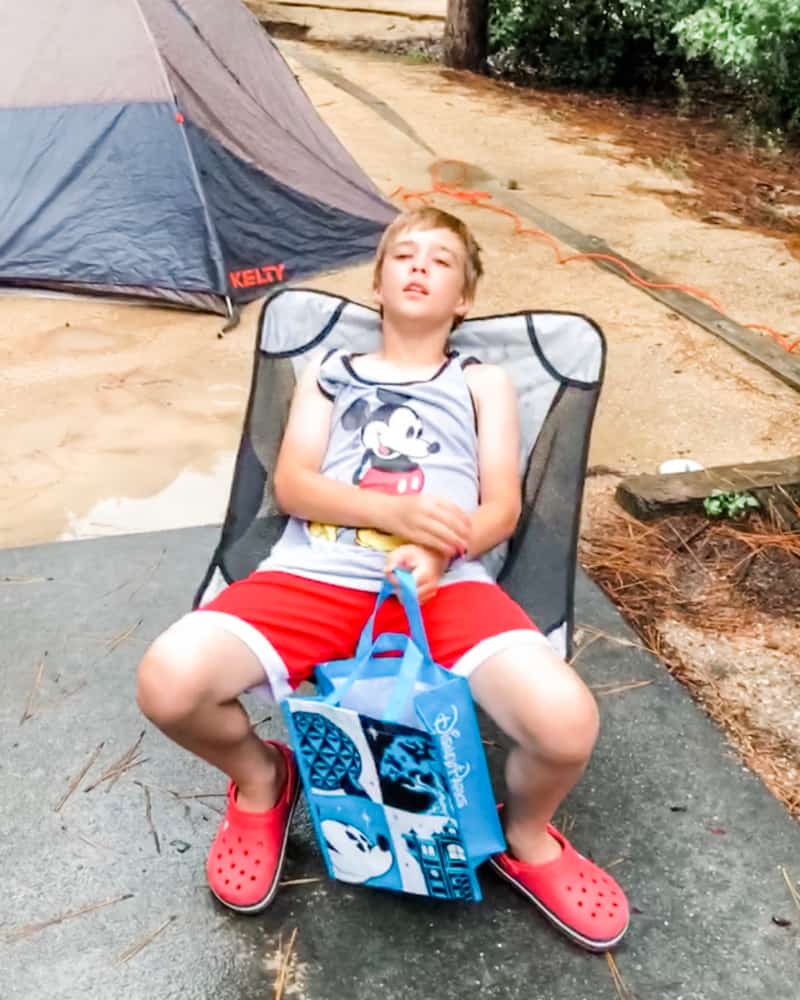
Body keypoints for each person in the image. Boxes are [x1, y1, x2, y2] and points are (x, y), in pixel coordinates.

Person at [136, 207, 629, 951]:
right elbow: (295, 485)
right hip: (315, 571)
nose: (420, 265)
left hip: (448, 581)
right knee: (166, 684)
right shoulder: (331, 373)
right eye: (403, 254)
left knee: (566, 725)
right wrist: (388, 512)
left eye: (441, 259)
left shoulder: (481, 381)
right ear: (379, 281)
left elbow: (502, 504)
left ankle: (527, 836)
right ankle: (264, 778)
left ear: (464, 296)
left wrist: (440, 552)